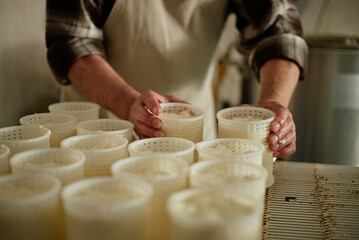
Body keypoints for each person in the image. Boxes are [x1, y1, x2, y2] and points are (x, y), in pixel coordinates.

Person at [46, 0, 308, 158]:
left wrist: (273, 105)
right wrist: (126, 103)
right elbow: (71, 40)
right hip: (98, 132)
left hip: (192, 136)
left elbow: (279, 33)